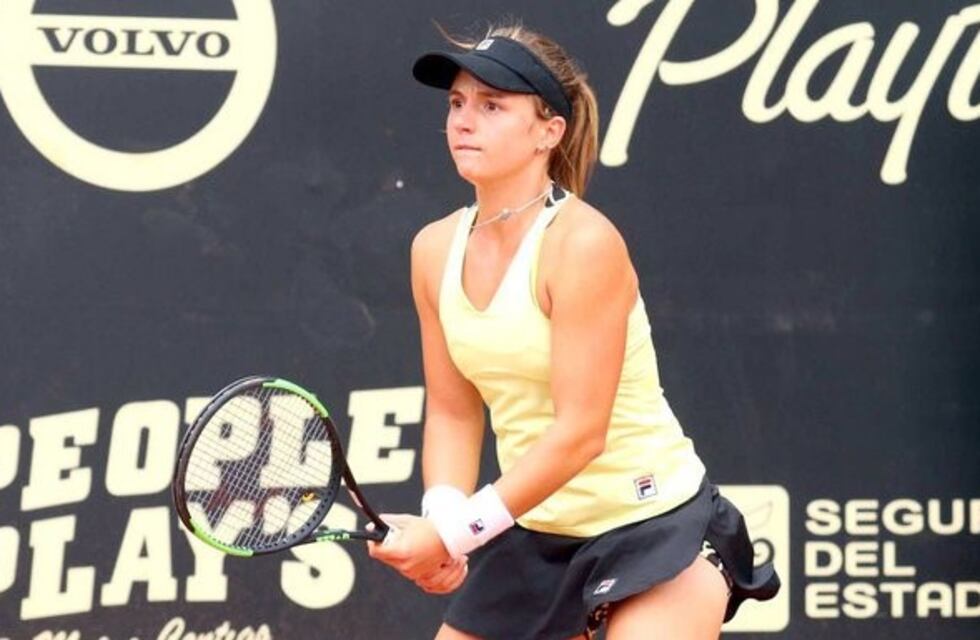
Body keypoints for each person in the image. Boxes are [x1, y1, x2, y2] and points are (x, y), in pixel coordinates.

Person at [368, 21, 779, 640]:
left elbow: (580, 433)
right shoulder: (432, 250)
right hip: (537, 534)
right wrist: (444, 515)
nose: (463, 120)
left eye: (491, 105)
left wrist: (454, 535)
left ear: (548, 131)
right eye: (456, 103)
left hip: (652, 527)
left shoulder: (583, 243)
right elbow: (453, 413)